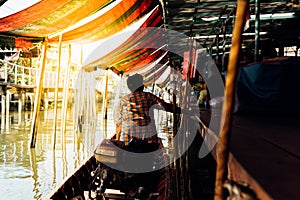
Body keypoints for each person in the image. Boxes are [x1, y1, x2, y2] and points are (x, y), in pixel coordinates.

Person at [115, 73, 181, 146]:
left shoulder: (123, 101)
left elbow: (118, 125)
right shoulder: (149, 96)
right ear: (142, 86)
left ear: (129, 88)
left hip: (128, 143)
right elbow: (165, 106)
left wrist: (117, 141)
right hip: (149, 142)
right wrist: (180, 110)